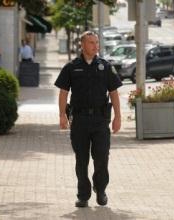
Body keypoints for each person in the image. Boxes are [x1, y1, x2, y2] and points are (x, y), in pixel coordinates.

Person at [54, 31, 122, 208]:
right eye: (91, 42)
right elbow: (63, 93)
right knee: (81, 160)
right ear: (82, 45)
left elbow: (114, 92)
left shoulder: (105, 67)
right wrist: (62, 115)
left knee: (101, 157)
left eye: (97, 42)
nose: (95, 45)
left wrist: (118, 117)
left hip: (100, 120)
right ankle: (83, 195)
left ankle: (100, 190)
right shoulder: (72, 67)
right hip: (80, 120)